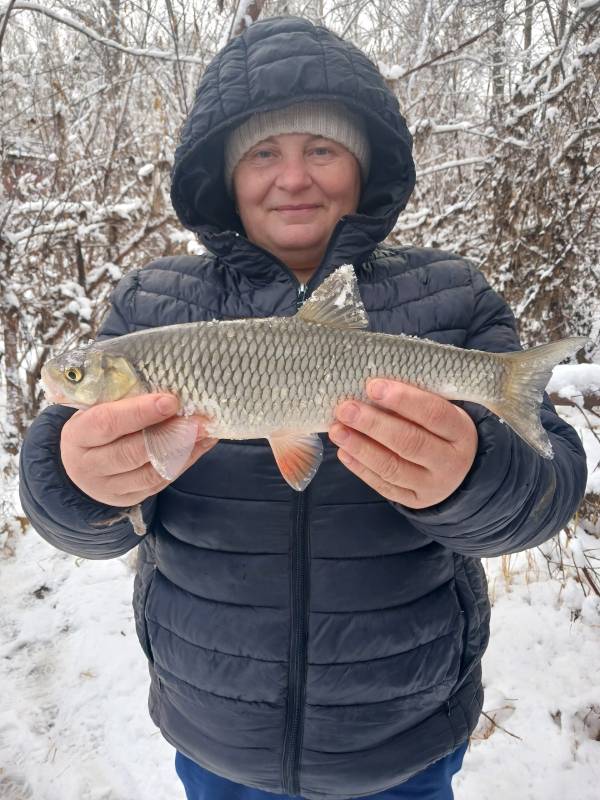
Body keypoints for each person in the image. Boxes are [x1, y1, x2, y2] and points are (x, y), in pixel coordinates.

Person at [19, 15, 587, 800]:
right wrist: (78, 486)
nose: (293, 179)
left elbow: (547, 488)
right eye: (262, 153)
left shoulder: (455, 297)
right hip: (216, 733)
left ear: (363, 165)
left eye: (320, 149)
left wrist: (473, 479)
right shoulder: (148, 312)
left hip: (402, 735)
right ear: (222, 175)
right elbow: (60, 503)